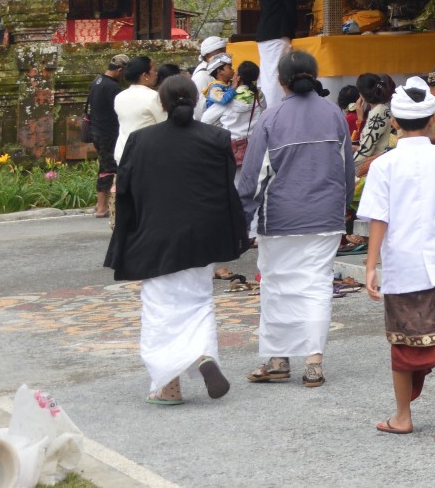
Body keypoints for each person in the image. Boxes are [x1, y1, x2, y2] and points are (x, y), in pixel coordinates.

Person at [106, 74, 251, 406]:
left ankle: (168, 386)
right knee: (198, 303)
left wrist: (125, 238)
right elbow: (225, 189)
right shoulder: (216, 137)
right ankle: (202, 355)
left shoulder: (140, 141)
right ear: (197, 101)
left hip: (155, 236)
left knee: (160, 309)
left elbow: (127, 192)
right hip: (200, 238)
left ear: (161, 103)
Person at [356, 76, 435, 445]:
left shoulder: (383, 165)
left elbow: (379, 219)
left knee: (401, 341)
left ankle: (402, 416)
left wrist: (369, 265)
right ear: (431, 121)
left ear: (395, 122)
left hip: (402, 267)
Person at [237, 50, 355, 387]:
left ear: (281, 80)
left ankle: (278, 360)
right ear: (314, 76)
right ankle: (314, 364)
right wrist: (343, 208)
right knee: (317, 287)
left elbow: (253, 177)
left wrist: (243, 216)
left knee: (277, 287)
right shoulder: (334, 114)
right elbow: (346, 169)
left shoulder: (271, 118)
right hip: (326, 217)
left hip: (280, 217)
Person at [84, 52, 129, 216]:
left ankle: (102, 206)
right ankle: (102, 207)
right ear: (119, 70)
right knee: (109, 168)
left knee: (105, 166)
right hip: (108, 133)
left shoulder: (97, 81)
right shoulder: (112, 87)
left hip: (96, 131)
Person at [252, 0, 299, 100]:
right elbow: (290, 7)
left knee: (266, 74)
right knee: (277, 73)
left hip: (263, 33)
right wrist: (294, 26)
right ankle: (275, 107)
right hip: (278, 33)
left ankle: (267, 109)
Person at [199, 57, 262, 166]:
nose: (233, 72)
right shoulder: (259, 96)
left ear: (238, 77)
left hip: (231, 147)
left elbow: (205, 120)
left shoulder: (229, 97)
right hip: (254, 144)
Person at [112, 55, 164, 167]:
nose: (156, 73)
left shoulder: (120, 97)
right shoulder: (154, 97)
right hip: (145, 154)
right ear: (145, 75)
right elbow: (166, 123)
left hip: (122, 152)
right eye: (154, 70)